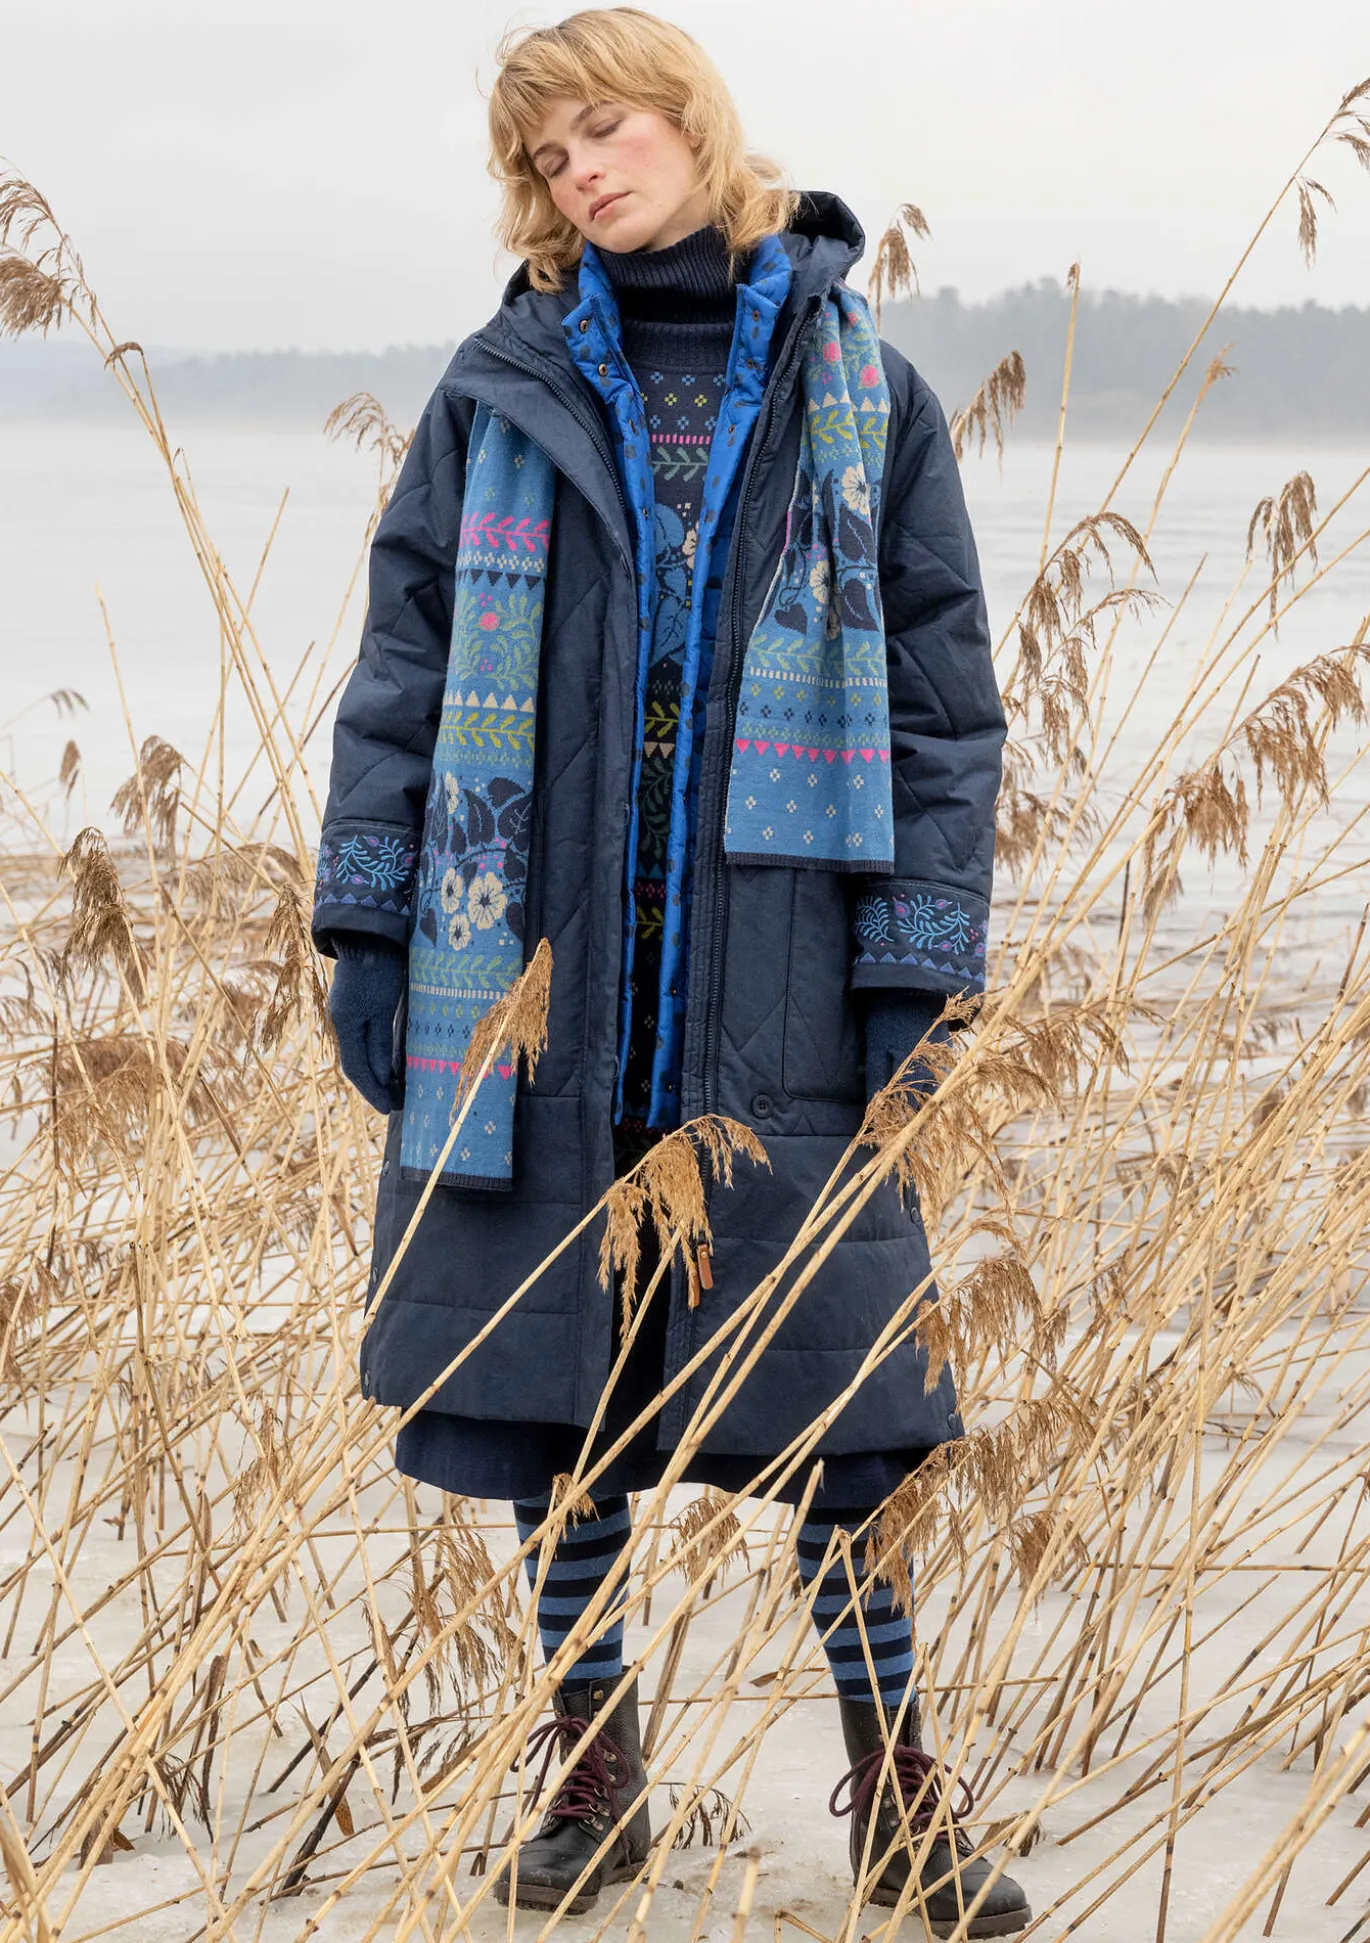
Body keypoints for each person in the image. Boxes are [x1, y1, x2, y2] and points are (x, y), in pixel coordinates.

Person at [312, 6, 1025, 1931]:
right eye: (547, 157)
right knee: (556, 1403)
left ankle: (900, 1792)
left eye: (605, 131)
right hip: (533, 993)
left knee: (854, 1410)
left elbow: (945, 714)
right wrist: (370, 922)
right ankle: (595, 1772)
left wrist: (915, 974)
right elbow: (398, 676)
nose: (582, 173)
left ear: (692, 123)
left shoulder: (866, 393)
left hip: (781, 999)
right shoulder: (497, 392)